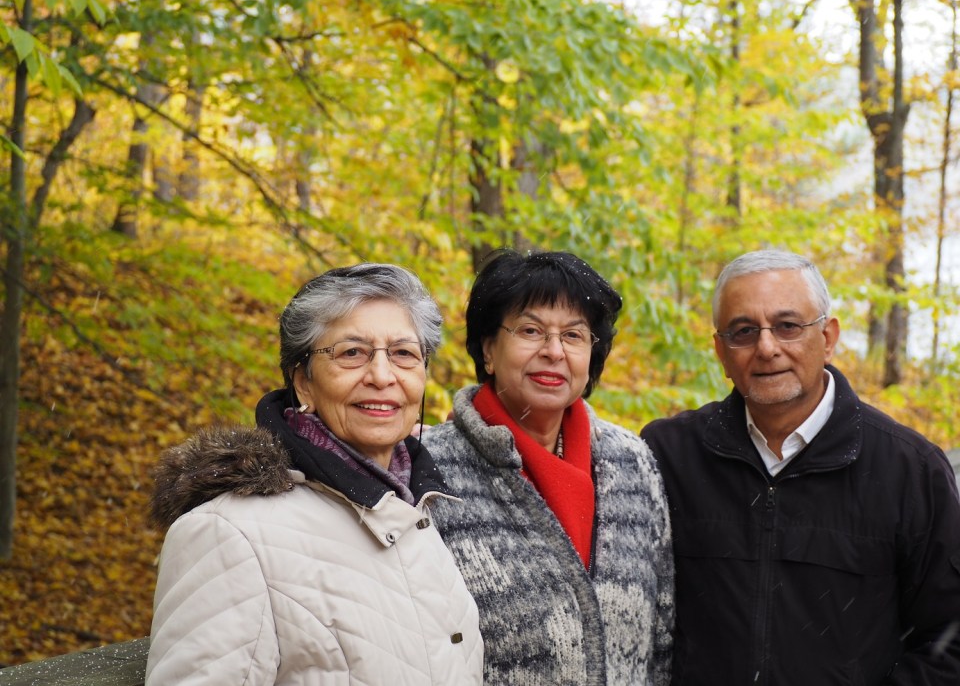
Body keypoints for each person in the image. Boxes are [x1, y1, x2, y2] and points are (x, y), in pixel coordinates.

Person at [145, 264, 483, 686]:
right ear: (303, 382)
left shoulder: (416, 507)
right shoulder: (226, 534)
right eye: (351, 353)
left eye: (404, 354)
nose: (382, 376)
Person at [642, 249, 960, 685]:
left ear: (828, 338)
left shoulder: (910, 470)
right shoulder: (667, 456)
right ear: (720, 351)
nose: (767, 348)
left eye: (788, 326)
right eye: (743, 331)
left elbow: (950, 640)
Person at [422, 249, 674, 685]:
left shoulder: (633, 463)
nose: (553, 351)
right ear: (488, 350)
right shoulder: (428, 466)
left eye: (574, 336)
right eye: (531, 330)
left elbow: (663, 640)